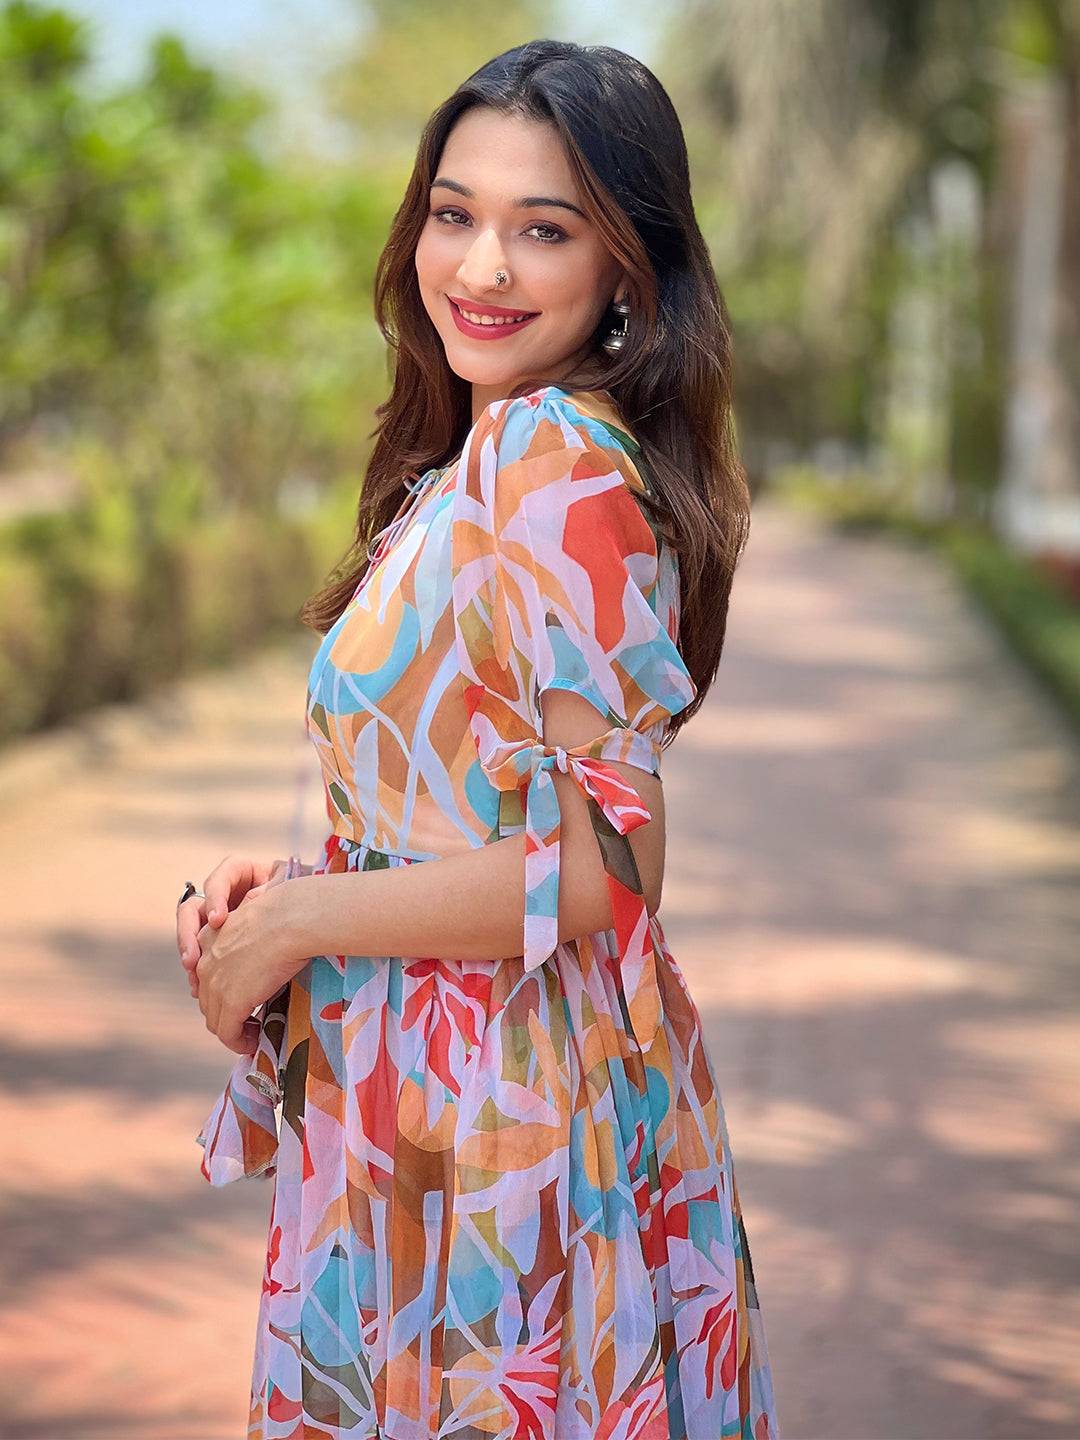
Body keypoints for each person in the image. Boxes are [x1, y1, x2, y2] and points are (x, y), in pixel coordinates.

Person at [176, 38, 780, 1440]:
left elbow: (607, 873)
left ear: (629, 272)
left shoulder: (551, 462)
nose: (483, 267)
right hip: (423, 1098)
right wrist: (298, 898)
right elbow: (469, 805)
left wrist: (308, 924)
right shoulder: (472, 461)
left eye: (544, 229)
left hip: (495, 1120)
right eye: (455, 214)